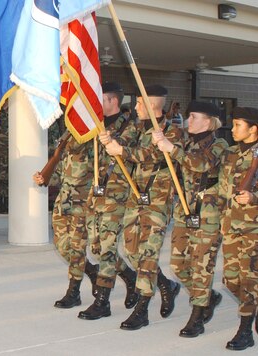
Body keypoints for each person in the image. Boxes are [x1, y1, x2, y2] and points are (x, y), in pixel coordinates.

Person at [99, 84, 183, 330]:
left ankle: (142, 309)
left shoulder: (171, 132)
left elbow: (152, 154)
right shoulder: (135, 126)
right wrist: (110, 140)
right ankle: (166, 284)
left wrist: (122, 150)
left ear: (152, 105)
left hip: (158, 201)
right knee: (131, 249)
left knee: (148, 252)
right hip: (135, 197)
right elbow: (122, 142)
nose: (135, 107)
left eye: (139, 103)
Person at [152, 101, 228, 337]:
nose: (188, 121)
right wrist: (159, 143)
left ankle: (197, 316)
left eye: (194, 117)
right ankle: (207, 297)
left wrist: (171, 148)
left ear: (209, 121)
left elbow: (201, 165)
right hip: (185, 213)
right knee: (178, 264)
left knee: (201, 267)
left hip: (208, 216)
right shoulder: (185, 142)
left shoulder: (220, 145)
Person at [78, 82, 139, 321]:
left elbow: (122, 149)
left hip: (117, 194)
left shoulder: (130, 126)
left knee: (106, 248)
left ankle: (102, 301)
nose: (96, 104)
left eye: (100, 99)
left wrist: (108, 139)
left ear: (113, 100)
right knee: (96, 247)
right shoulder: (97, 127)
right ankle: (131, 278)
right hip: (97, 193)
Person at [34, 120, 98, 309]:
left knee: (77, 248)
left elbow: (101, 175)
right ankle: (91, 271)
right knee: (62, 246)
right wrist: (43, 178)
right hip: (64, 202)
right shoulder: (66, 142)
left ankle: (73, 292)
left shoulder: (94, 144)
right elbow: (61, 173)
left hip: (82, 203)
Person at [211, 107, 258, 351]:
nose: (233, 129)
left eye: (239, 125)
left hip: (253, 228)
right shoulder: (229, 153)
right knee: (231, 281)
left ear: (253, 129)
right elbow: (222, 188)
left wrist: (254, 197)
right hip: (230, 226)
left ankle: (245, 330)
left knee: (248, 280)